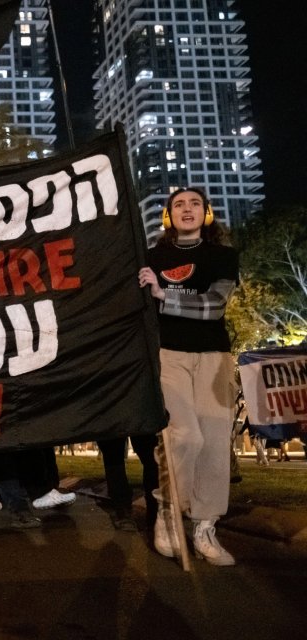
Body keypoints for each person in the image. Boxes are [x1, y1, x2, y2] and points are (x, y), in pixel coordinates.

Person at [139, 186, 239, 566]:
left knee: (214, 444)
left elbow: (214, 306)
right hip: (168, 355)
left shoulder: (224, 257)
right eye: (178, 204)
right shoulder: (152, 257)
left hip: (214, 356)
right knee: (183, 436)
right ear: (168, 216)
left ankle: (204, 526)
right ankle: (167, 511)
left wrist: (165, 295)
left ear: (206, 213)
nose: (187, 208)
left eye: (195, 203)